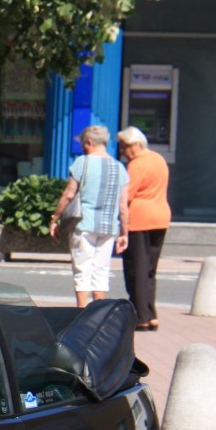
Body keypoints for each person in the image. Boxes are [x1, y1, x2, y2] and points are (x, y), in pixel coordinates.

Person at [49, 125, 130, 308]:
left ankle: (81, 310)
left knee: (82, 268)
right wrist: (124, 233)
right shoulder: (120, 168)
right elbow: (123, 206)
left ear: (90, 142)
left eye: (83, 144)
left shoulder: (82, 163)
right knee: (101, 270)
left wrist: (55, 218)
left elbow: (68, 195)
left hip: (84, 224)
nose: (82, 148)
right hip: (109, 227)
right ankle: (98, 312)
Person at [117, 126, 170, 331]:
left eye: (124, 147)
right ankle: (151, 313)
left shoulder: (137, 165)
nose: (122, 152)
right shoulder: (158, 159)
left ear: (135, 145)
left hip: (139, 219)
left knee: (136, 268)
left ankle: (140, 316)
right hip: (161, 216)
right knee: (149, 269)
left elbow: (127, 195)